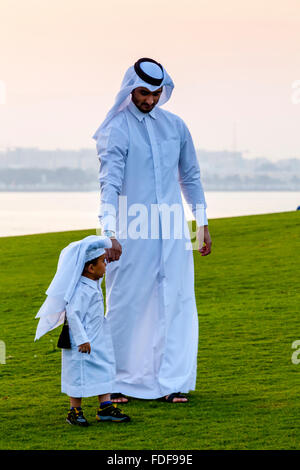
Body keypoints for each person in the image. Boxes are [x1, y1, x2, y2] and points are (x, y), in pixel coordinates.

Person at [93, 58, 212, 404]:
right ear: (131, 88)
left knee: (174, 301)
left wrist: (201, 221)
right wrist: (109, 231)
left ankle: (171, 381)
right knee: (125, 302)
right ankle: (117, 381)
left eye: (156, 93)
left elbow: (190, 176)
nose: (149, 100)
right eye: (144, 92)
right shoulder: (117, 129)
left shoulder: (175, 126)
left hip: (174, 231)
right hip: (130, 231)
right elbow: (109, 185)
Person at [35, 235, 130, 425]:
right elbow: (73, 313)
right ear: (90, 268)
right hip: (83, 340)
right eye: (103, 262)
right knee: (77, 372)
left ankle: (105, 407)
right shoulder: (81, 290)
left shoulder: (93, 284)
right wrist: (81, 339)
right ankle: (74, 410)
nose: (106, 265)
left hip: (98, 337)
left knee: (104, 368)